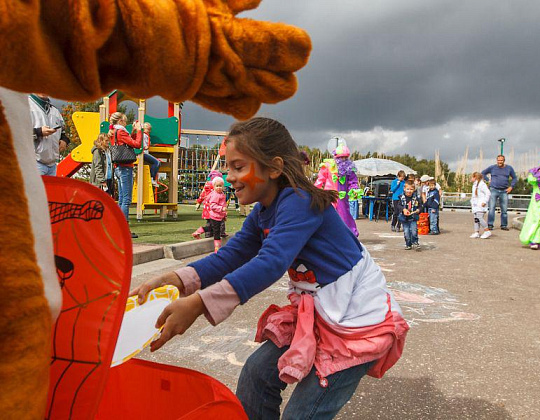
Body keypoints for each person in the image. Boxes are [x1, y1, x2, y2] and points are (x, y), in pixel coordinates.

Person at [130, 117, 408, 419]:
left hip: (355, 321)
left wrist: (198, 303)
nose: (230, 176)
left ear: (273, 168)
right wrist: (175, 280)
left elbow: (271, 262)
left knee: (302, 414)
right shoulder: (263, 211)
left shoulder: (299, 202)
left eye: (238, 167)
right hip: (319, 313)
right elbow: (230, 256)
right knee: (257, 375)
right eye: (228, 166)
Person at [314, 137, 361, 236]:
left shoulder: (349, 168)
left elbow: (353, 181)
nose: (343, 160)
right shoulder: (327, 165)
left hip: (343, 200)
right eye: (341, 157)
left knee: (345, 217)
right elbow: (320, 180)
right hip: (329, 197)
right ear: (336, 157)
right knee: (328, 217)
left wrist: (354, 189)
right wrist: (313, 192)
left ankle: (349, 235)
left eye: (345, 157)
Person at [109, 112, 142, 239]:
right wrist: (139, 131)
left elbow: (129, 143)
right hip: (125, 168)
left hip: (118, 168)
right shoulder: (121, 132)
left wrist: (133, 131)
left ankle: (118, 228)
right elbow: (137, 144)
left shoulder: (115, 132)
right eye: (125, 120)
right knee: (126, 200)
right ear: (120, 121)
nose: (126, 122)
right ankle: (124, 230)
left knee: (122, 199)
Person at [29, 93, 70, 176]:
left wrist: (64, 141)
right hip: (33, 163)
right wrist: (39, 132)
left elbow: (63, 133)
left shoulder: (55, 111)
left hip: (52, 165)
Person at [482, 155, 517, 230]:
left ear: (504, 160)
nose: (499, 162)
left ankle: (504, 225)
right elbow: (482, 173)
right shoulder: (492, 167)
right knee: (491, 208)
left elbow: (514, 178)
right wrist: (488, 180)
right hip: (493, 190)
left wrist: (511, 187)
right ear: (496, 160)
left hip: (504, 191)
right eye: (498, 160)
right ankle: (490, 225)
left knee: (504, 209)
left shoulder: (509, 168)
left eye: (501, 160)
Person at [193, 176, 227, 249]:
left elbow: (222, 203)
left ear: (223, 186)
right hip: (215, 216)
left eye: (220, 186)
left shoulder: (221, 194)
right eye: (217, 186)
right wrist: (222, 209)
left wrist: (224, 214)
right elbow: (213, 206)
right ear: (214, 186)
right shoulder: (216, 195)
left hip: (218, 216)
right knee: (216, 231)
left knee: (211, 228)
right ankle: (217, 248)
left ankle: (198, 232)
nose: (219, 188)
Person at [519, 166, 540, 249]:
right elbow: (531, 180)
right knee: (536, 220)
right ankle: (533, 240)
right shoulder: (535, 172)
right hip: (537, 202)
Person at [397, 180, 420, 250]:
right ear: (404, 189)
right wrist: (403, 210)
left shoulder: (416, 198)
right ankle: (408, 243)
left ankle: (415, 242)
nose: (409, 191)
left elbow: (421, 206)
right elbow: (398, 206)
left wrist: (419, 210)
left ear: (414, 190)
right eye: (408, 189)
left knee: (414, 231)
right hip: (404, 218)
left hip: (413, 218)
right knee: (406, 232)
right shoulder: (401, 197)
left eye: (411, 189)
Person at [470, 172, 491, 239]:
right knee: (476, 219)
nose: (471, 178)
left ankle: (487, 231)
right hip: (475, 205)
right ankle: (476, 232)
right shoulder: (474, 185)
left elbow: (488, 193)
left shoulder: (482, 184)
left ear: (475, 177)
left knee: (479, 218)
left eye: (472, 177)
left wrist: (484, 202)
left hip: (481, 205)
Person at [141, 122, 161, 187]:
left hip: (146, 153)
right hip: (143, 153)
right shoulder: (143, 135)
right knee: (156, 162)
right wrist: (145, 147)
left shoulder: (147, 136)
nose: (149, 131)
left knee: (158, 163)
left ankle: (153, 179)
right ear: (144, 129)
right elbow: (142, 145)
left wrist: (151, 145)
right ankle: (151, 178)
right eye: (148, 129)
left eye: (150, 130)